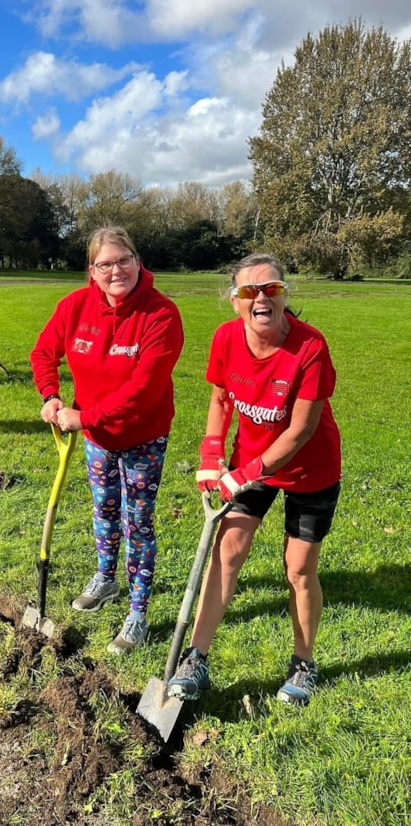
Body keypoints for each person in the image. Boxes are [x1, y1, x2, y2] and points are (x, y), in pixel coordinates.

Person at [167, 253, 341, 707]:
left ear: (285, 295)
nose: (261, 298)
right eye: (249, 291)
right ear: (234, 301)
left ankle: (304, 664)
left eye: (272, 289)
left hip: (309, 470)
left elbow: (301, 430)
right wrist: (211, 452)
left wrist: (243, 473)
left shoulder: (310, 347)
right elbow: (221, 399)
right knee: (228, 549)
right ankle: (196, 658)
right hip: (253, 462)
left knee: (299, 569)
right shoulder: (226, 339)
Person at [30, 226, 184, 656]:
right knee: (104, 509)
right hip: (96, 437)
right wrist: (51, 394)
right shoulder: (75, 306)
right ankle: (106, 579)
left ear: (137, 261)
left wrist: (86, 416)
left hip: (142, 437)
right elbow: (43, 352)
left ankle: (137, 612)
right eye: (105, 264)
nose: (116, 270)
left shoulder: (161, 314)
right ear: (91, 271)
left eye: (123, 260)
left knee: (138, 522)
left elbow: (145, 389)